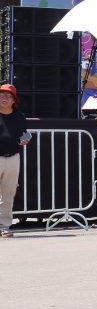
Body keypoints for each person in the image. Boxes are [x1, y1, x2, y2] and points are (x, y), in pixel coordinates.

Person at [0, 83, 31, 238]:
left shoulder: (20, 117)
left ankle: (5, 226)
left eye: (7, 96)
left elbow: (25, 134)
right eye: (1, 95)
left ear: (13, 100)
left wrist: (25, 139)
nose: (3, 98)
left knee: (8, 193)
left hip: (13, 157)